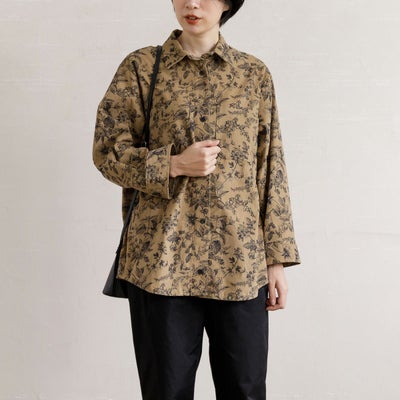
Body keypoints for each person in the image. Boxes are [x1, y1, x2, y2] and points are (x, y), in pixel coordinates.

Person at [93, 1, 301, 399]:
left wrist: (276, 260)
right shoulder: (141, 68)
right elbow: (107, 151)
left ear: (227, 3)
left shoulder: (252, 74)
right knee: (166, 391)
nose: (192, 3)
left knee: (245, 389)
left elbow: (270, 167)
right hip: (160, 264)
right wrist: (172, 164)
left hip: (240, 264)